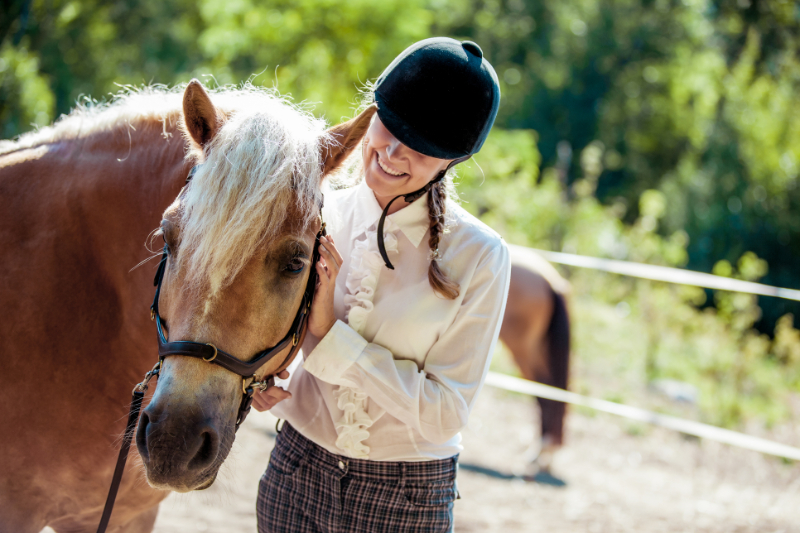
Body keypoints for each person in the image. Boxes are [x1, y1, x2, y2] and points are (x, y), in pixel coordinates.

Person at [253, 37, 510, 533]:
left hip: (406, 499)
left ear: (448, 162)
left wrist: (331, 334)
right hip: (296, 472)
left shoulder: (480, 256)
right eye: (389, 127)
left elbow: (444, 414)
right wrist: (270, 379)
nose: (392, 153)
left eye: (421, 149)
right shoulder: (318, 212)